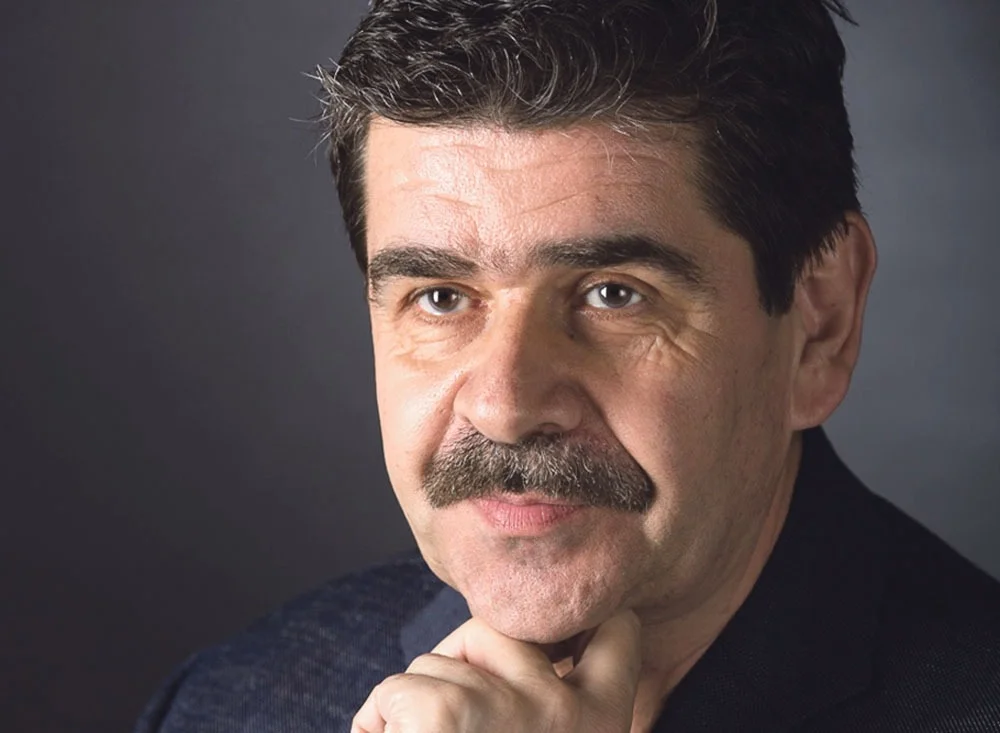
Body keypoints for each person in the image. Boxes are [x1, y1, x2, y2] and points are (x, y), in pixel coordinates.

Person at [134, 1, 1000, 731]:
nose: (505, 405)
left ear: (819, 321)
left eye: (612, 294)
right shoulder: (232, 702)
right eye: (441, 297)